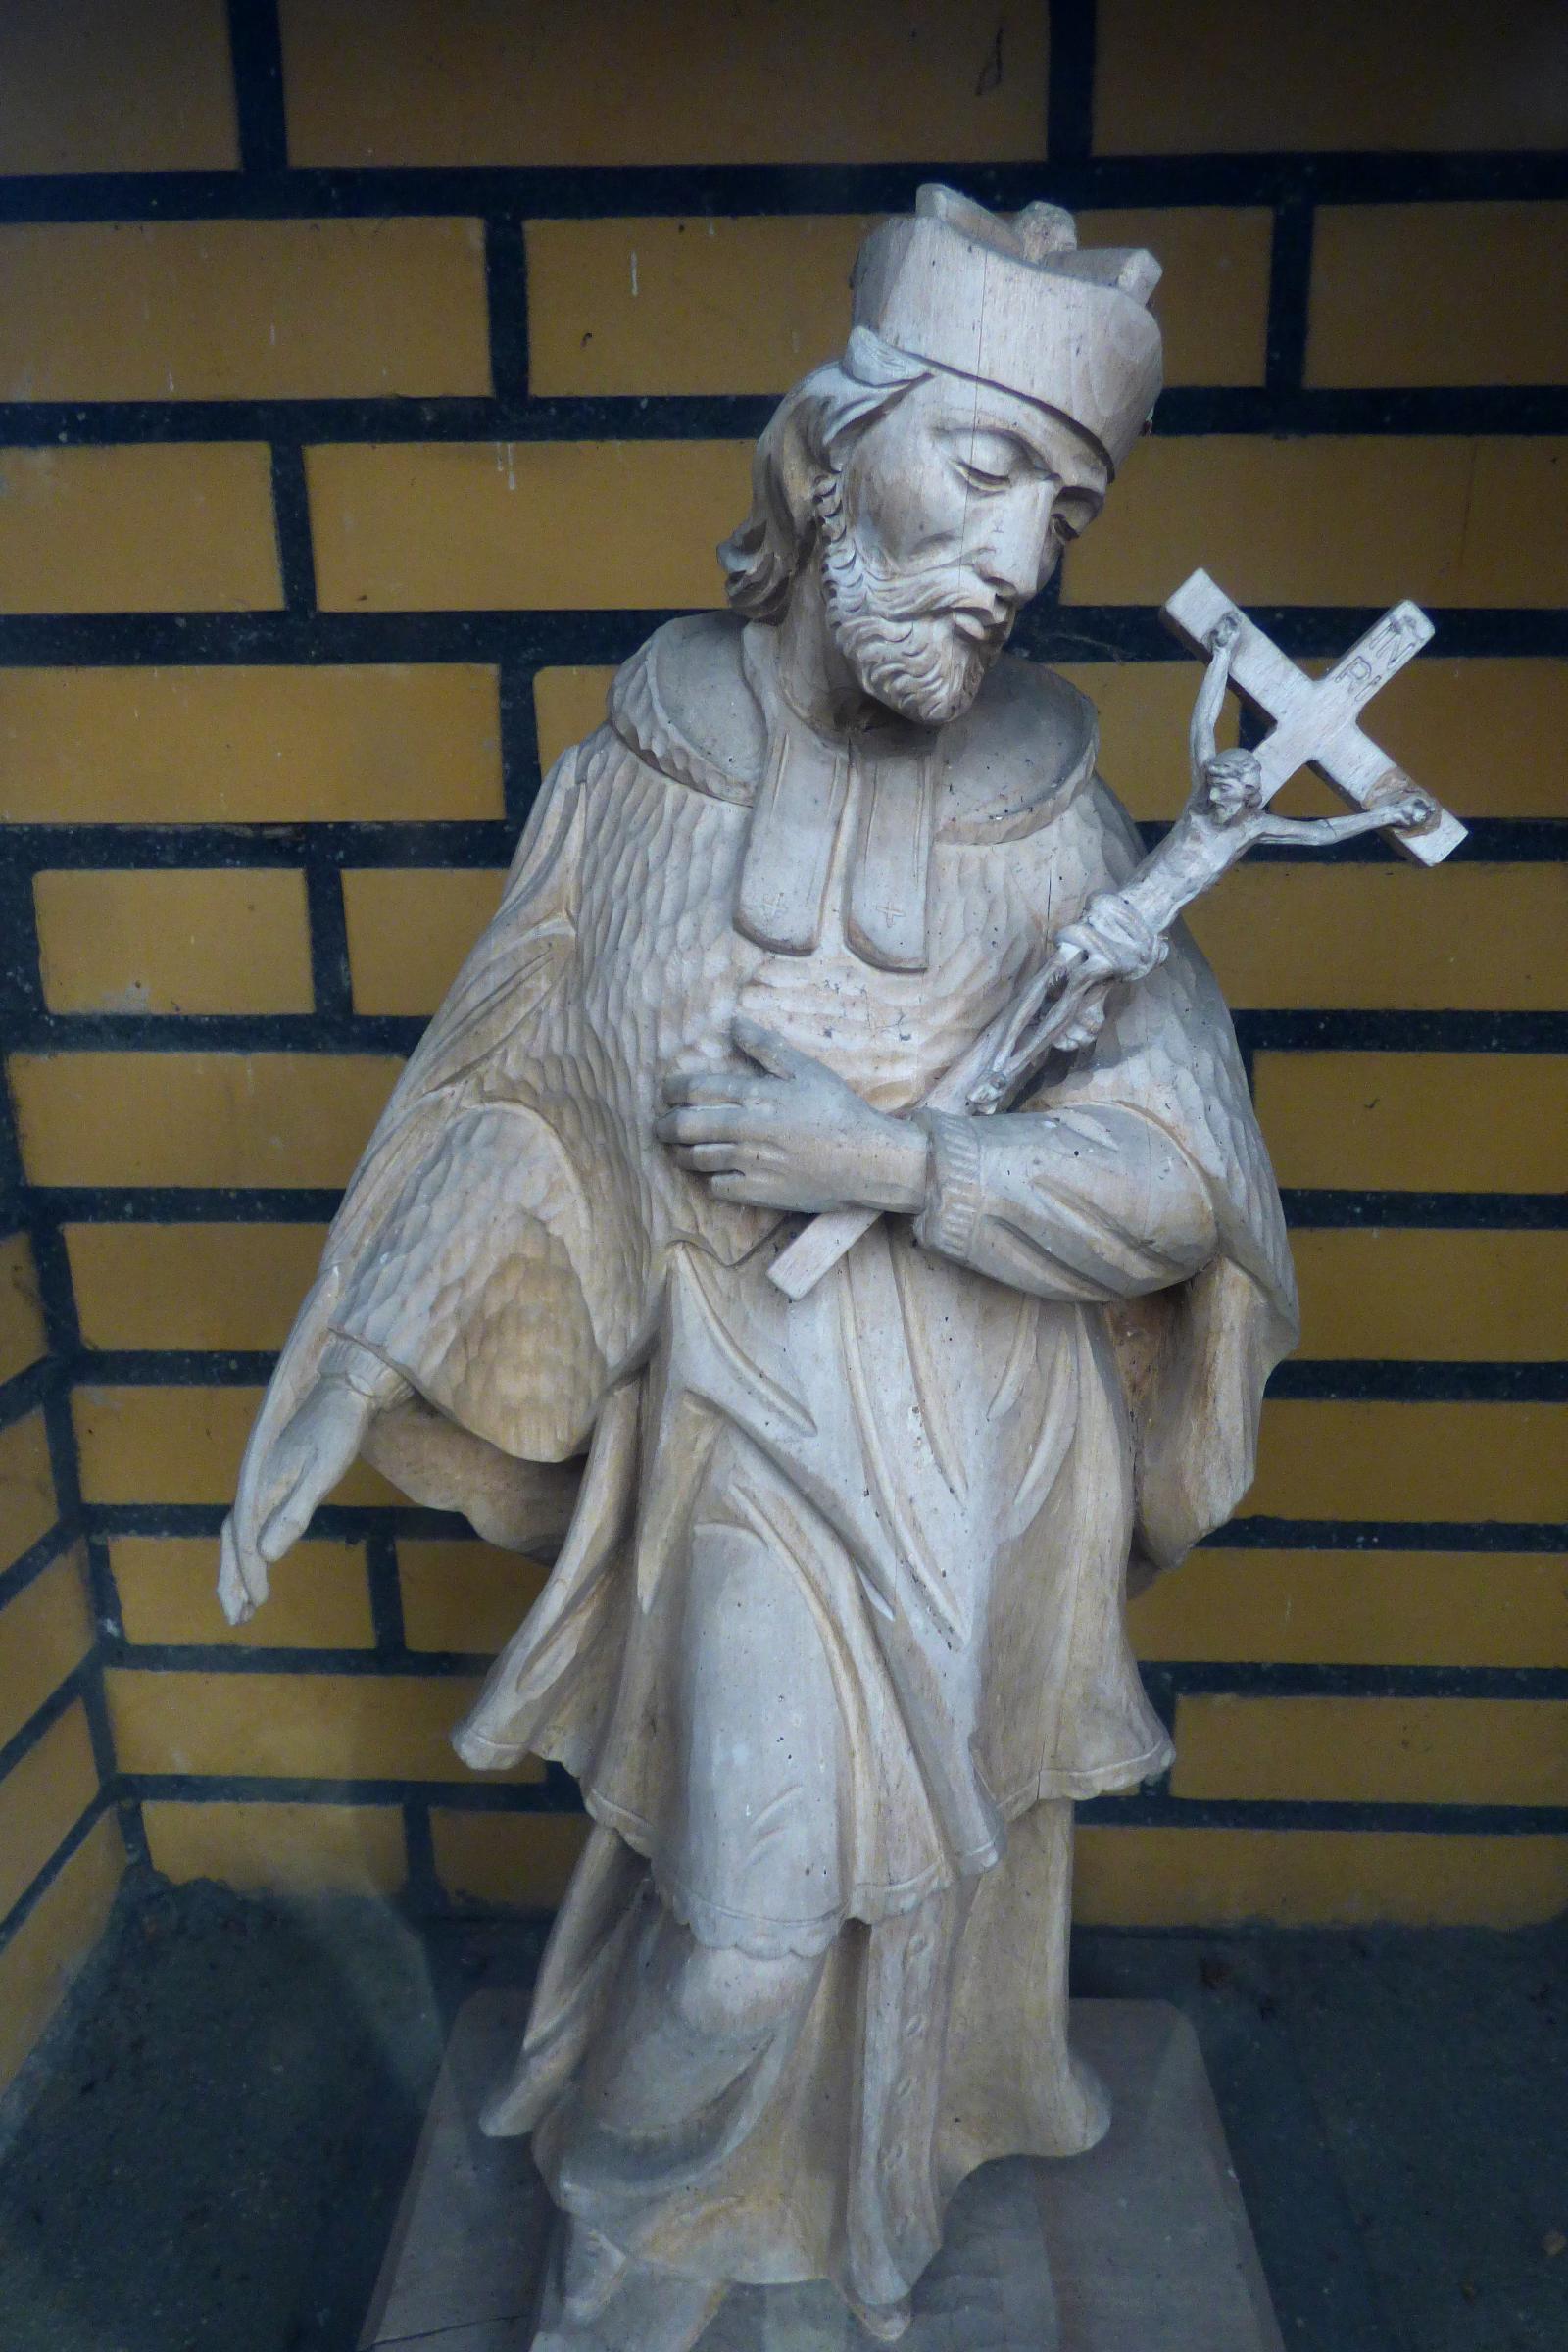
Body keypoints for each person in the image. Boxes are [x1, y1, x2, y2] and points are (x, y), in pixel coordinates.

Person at [219, 187, 1299, 2352]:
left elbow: (1181, 1182)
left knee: (906, 1909)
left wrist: (898, 1160)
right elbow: (521, 1098)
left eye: (1063, 509)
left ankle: (816, 2209)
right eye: (983, 469)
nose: (1018, 557)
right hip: (742, 1425)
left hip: (990, 1454)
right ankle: (626, 2246)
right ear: (830, 450)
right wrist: (362, 1349)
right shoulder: (643, 771)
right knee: (750, 1920)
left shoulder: (1056, 818)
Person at [965, 612, 1440, 1103]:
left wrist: (1386, 815)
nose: (1216, 797)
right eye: (1214, 787)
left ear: (1247, 796)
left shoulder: (1251, 831)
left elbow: (1321, 834)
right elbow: (1203, 725)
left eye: (1225, 792)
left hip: (1143, 930)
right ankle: (999, 1062)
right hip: (1120, 907)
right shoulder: (1198, 808)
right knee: (1055, 972)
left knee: (1080, 982)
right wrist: (1221, 656)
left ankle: (1007, 1072)